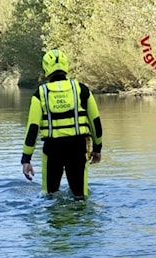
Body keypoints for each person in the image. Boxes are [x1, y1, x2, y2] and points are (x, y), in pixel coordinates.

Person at [21, 49, 103, 200]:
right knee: (80, 197)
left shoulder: (40, 94)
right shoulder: (82, 90)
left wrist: (26, 159)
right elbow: (95, 122)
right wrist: (97, 148)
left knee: (49, 196)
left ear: (46, 67)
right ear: (66, 66)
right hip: (78, 148)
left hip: (52, 150)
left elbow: (32, 128)